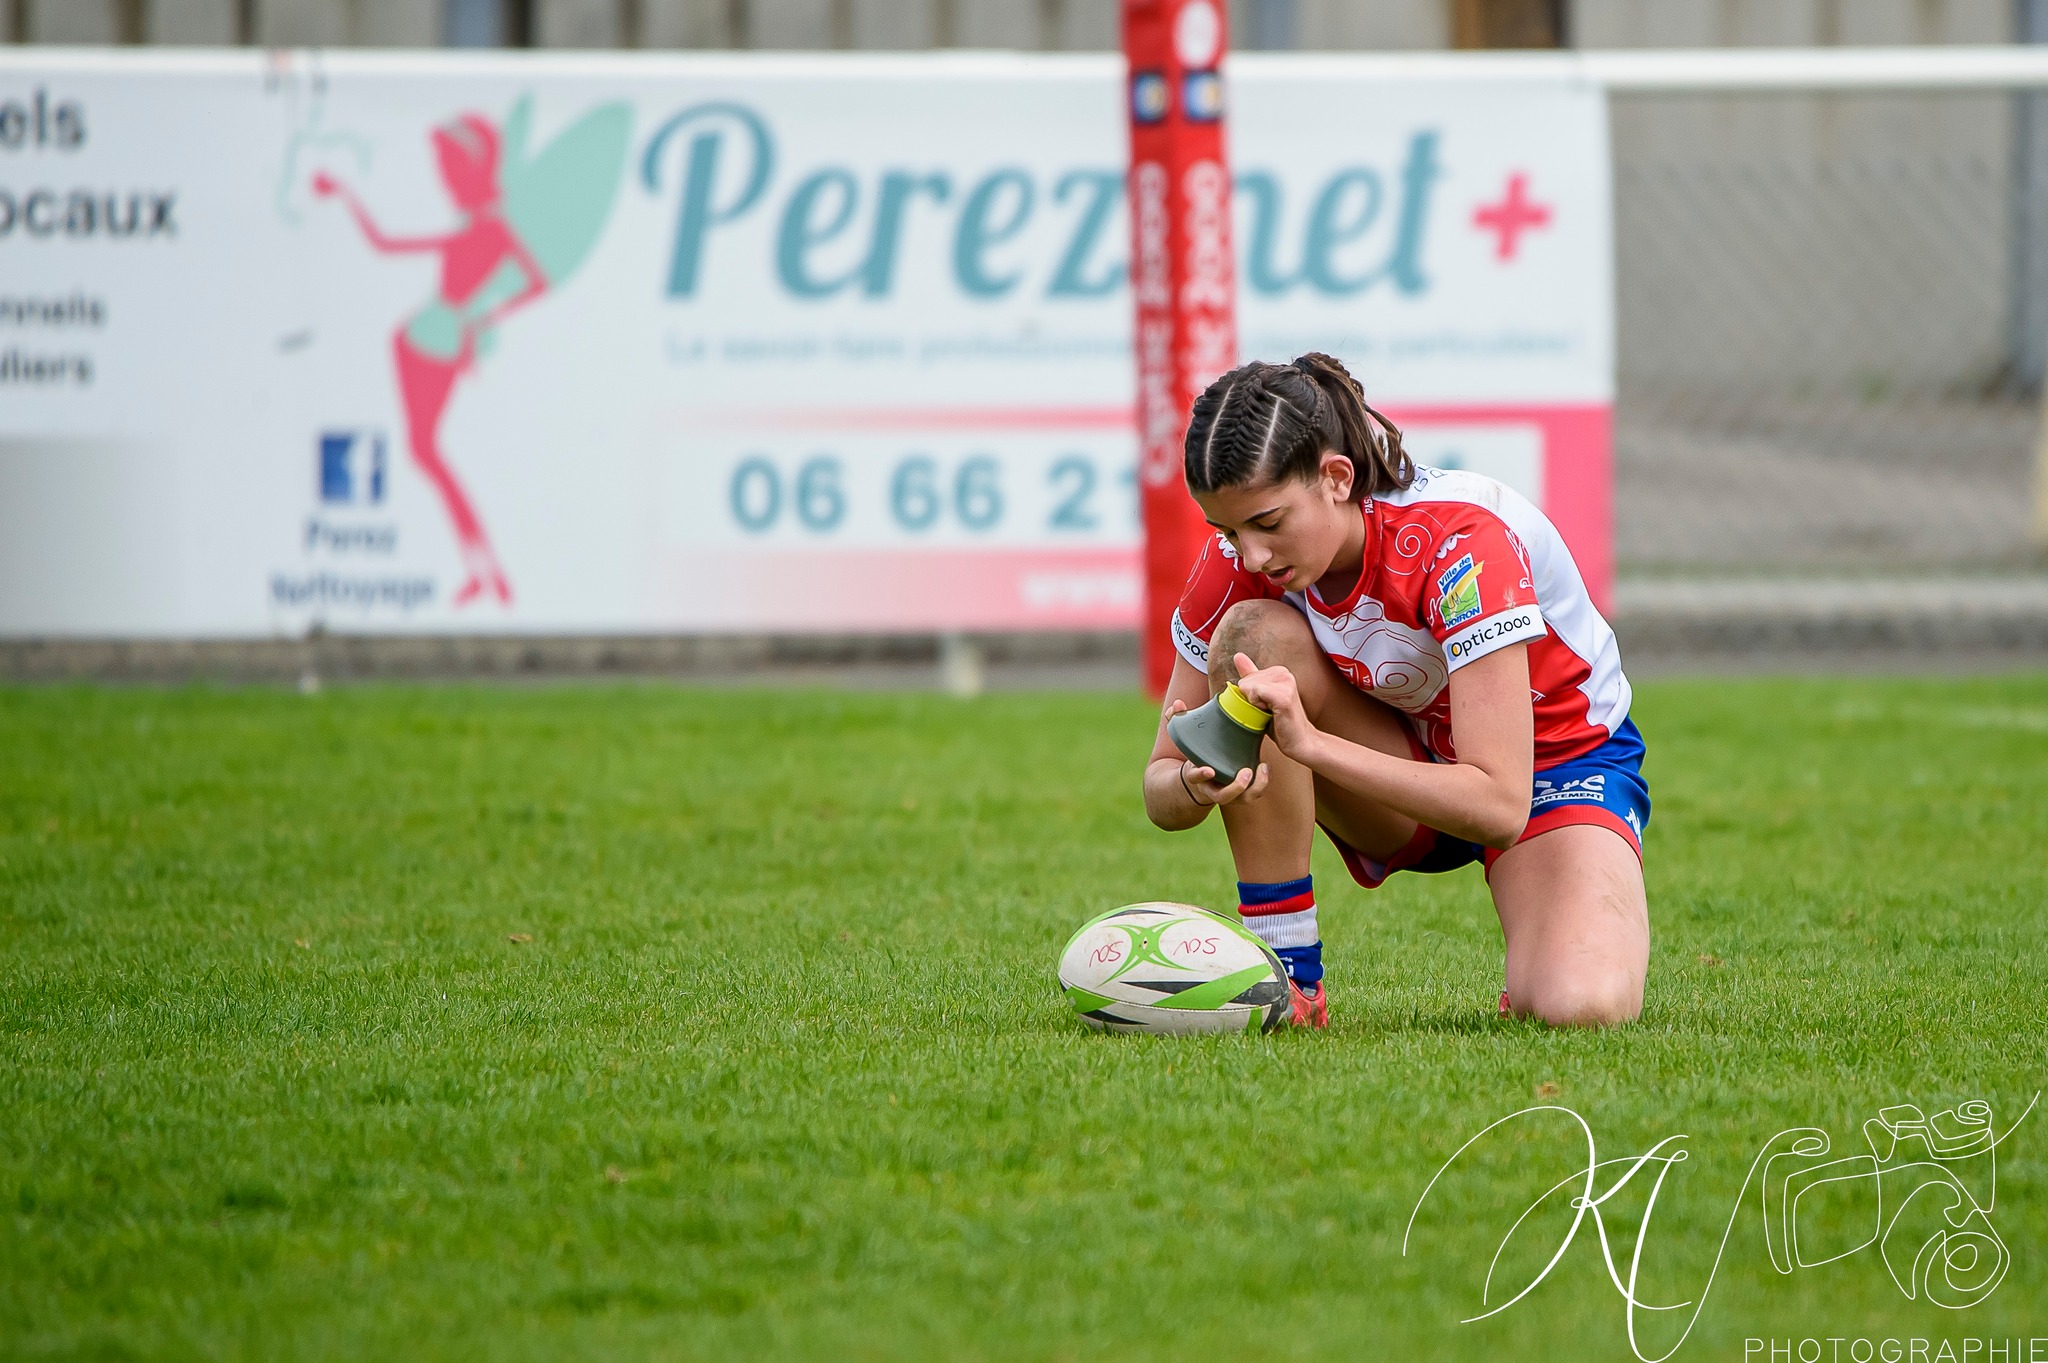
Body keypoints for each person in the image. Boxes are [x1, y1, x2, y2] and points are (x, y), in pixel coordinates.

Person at [1140, 354, 1648, 1030]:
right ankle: (1289, 978)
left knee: (1579, 1006)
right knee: (1254, 637)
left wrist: (1313, 747)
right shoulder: (1237, 562)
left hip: (1552, 772)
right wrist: (1196, 784)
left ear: (1336, 477)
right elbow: (1159, 787)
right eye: (1227, 531)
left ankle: (1542, 946)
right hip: (1402, 761)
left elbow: (1499, 803)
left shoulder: (1461, 543)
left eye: (1267, 522)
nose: (1250, 554)